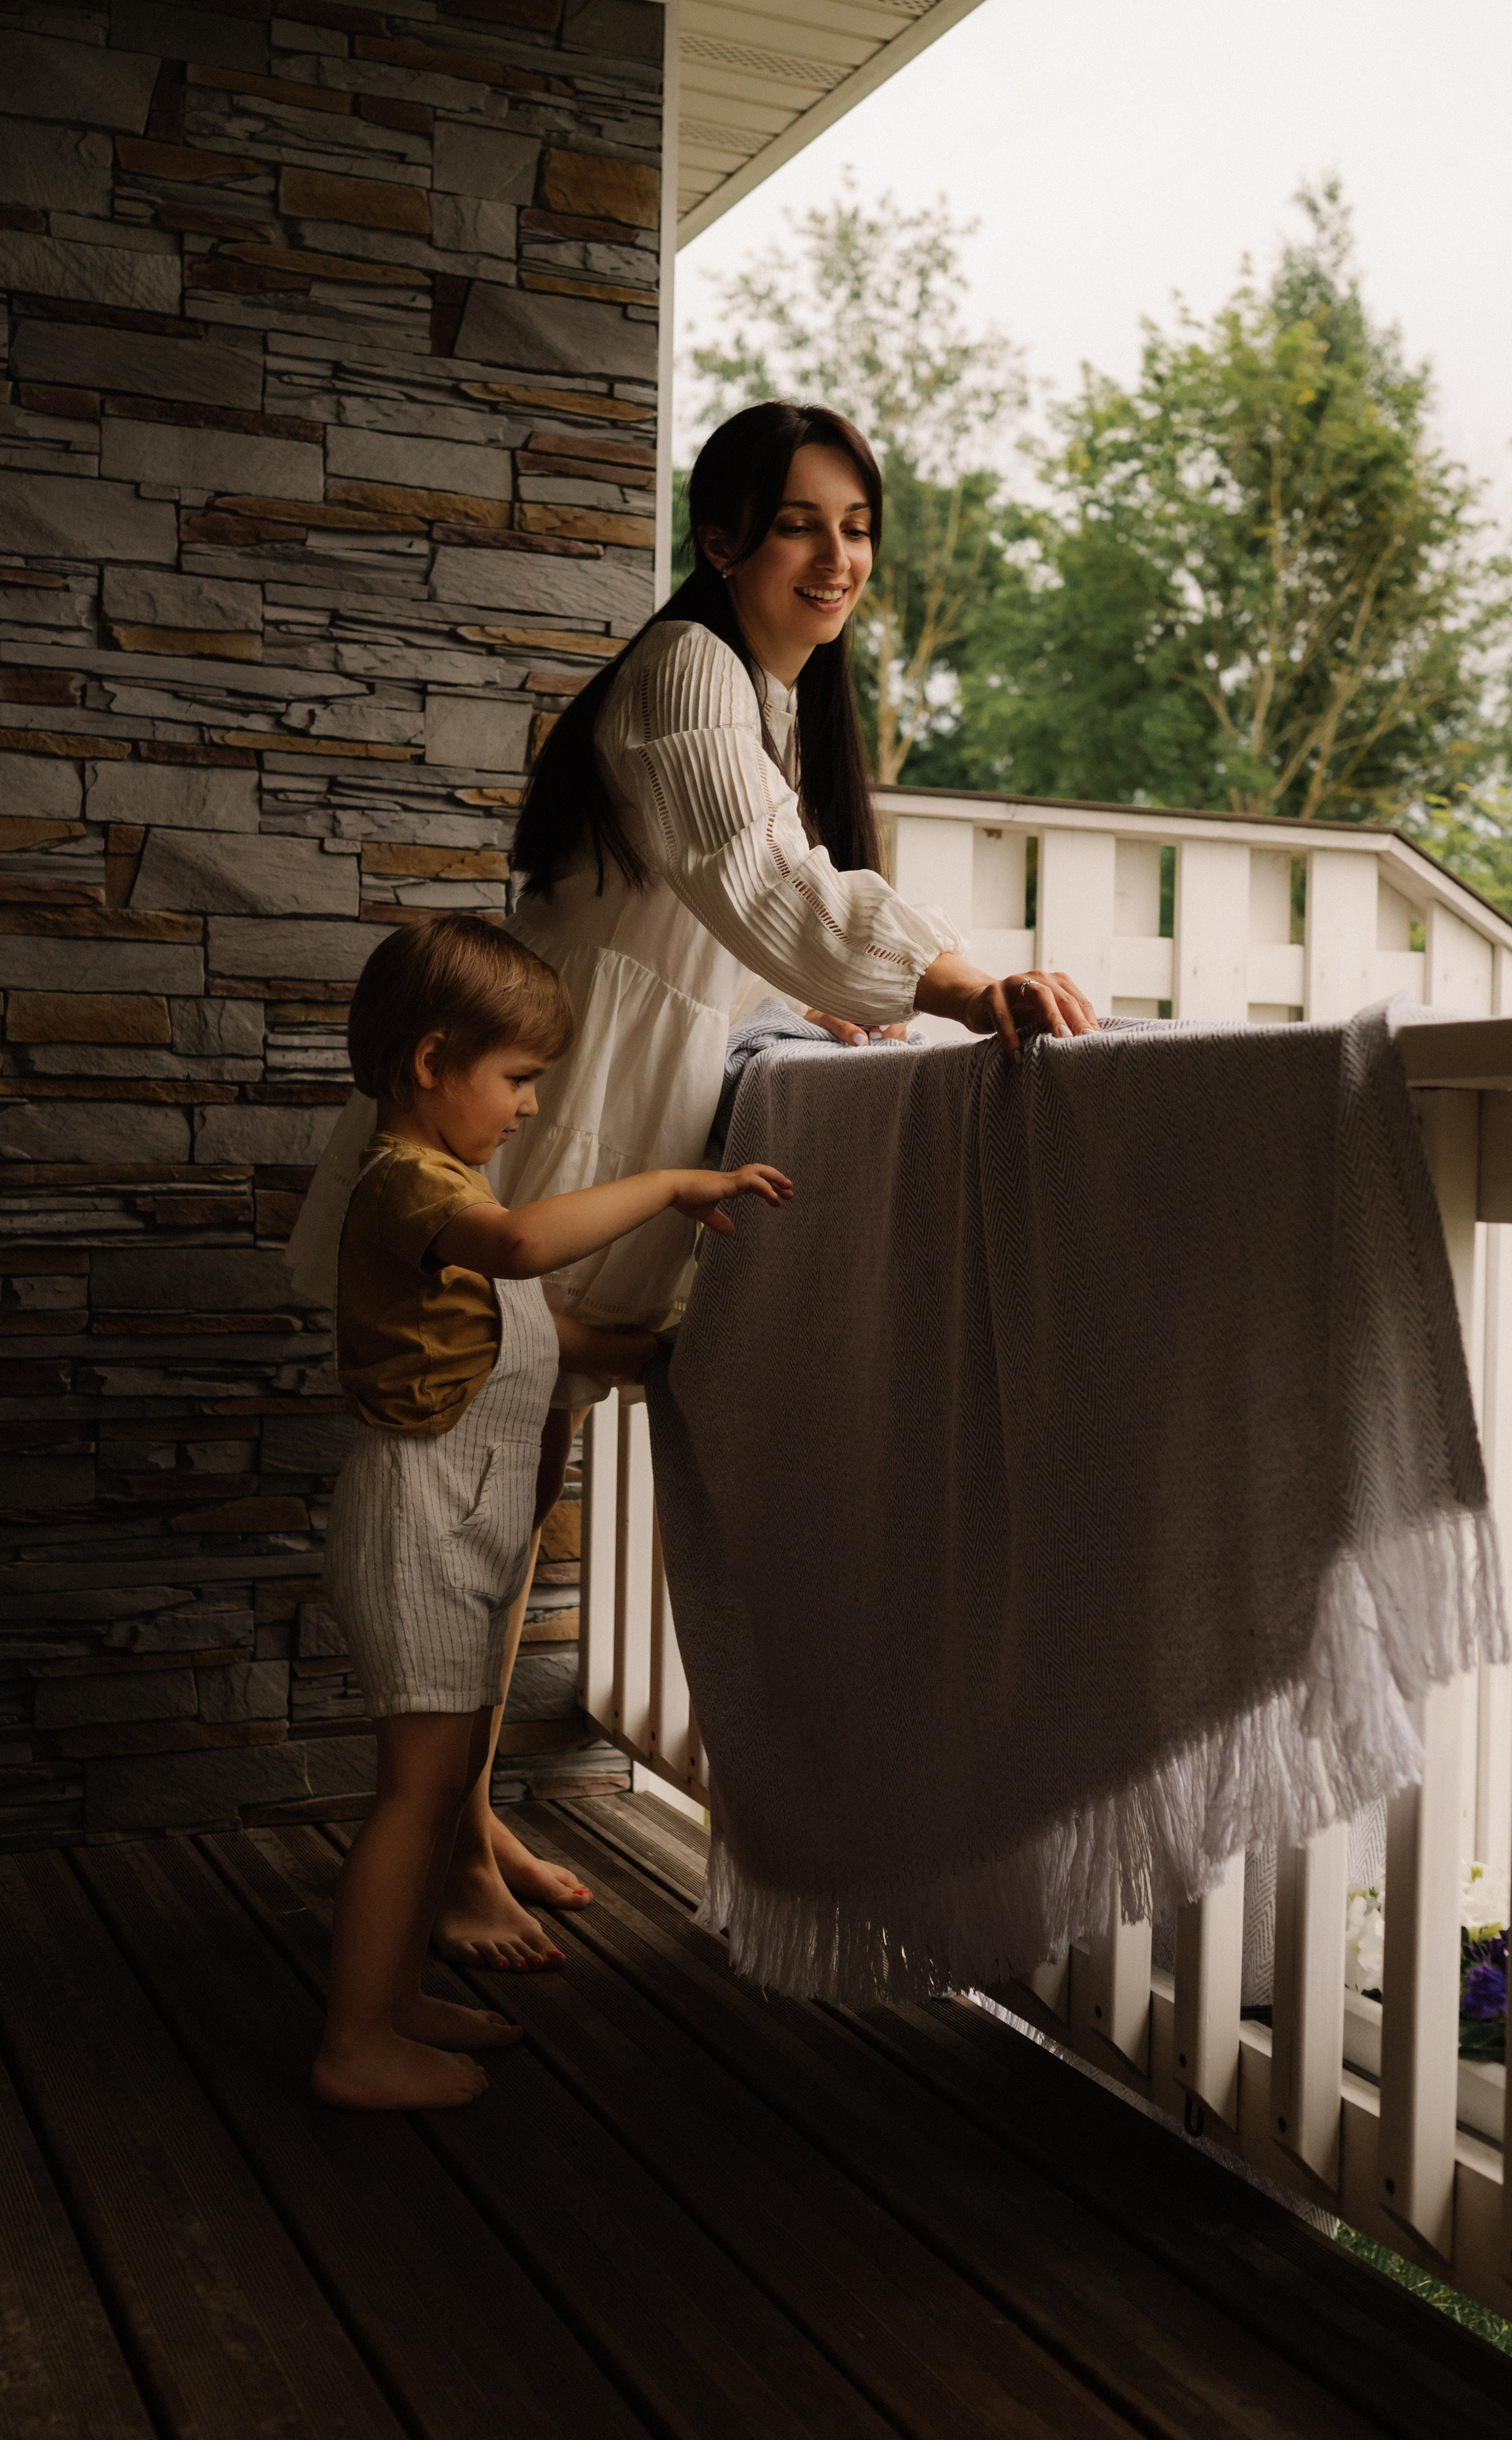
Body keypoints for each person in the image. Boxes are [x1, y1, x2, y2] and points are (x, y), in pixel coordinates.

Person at [290, 399, 1096, 1969]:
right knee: (473, 1500)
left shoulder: (766, 708)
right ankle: (440, 1845)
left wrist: (835, 1010)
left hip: (584, 1120)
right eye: (799, 521)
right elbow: (764, 883)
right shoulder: (683, 676)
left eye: (857, 527)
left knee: (510, 1494)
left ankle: (459, 1820)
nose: (837, 555)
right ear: (719, 537)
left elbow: (733, 936)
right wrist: (957, 986)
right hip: (535, 1131)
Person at [310, 915, 788, 2109]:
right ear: (431, 1063)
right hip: (417, 1528)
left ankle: (393, 1995)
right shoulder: (408, 1186)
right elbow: (525, 1252)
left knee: (452, 1763)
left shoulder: (449, 1186)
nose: (530, 1108)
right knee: (418, 1789)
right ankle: (353, 2040)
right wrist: (676, 1184)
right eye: (518, 1079)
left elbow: (523, 1328)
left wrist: (657, 1354)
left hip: (457, 1529)